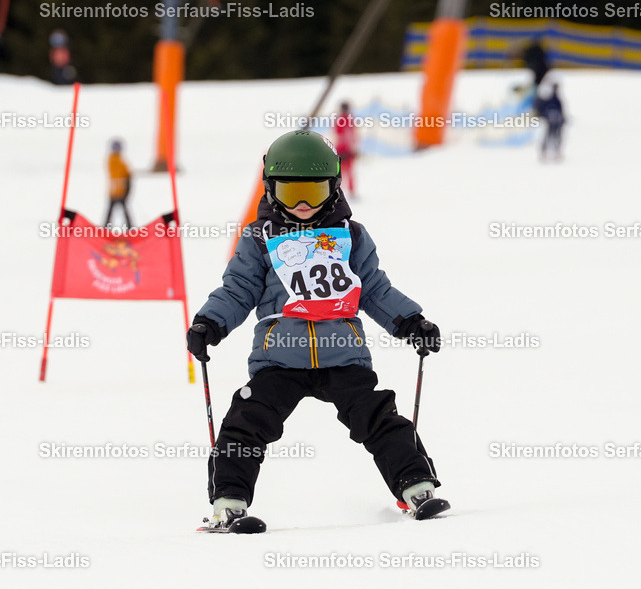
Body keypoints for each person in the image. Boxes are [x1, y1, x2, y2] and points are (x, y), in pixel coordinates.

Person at [186, 130, 449, 530]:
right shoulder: (259, 240)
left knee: (378, 416)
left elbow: (374, 290)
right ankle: (230, 500)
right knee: (247, 419)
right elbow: (237, 290)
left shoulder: (351, 237)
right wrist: (210, 323)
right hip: (279, 358)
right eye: (293, 195)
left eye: (315, 191)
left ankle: (416, 486)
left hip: (343, 356)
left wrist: (411, 322)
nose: (305, 204)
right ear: (272, 191)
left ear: (335, 187)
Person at [104, 138, 133, 228]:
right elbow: (123, 173)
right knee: (114, 210)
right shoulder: (115, 160)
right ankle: (107, 226)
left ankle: (107, 226)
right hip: (118, 190)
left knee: (117, 210)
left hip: (119, 190)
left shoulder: (116, 160)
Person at [534, 82, 566, 161]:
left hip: (555, 120)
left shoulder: (554, 97)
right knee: (550, 135)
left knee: (554, 135)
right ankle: (546, 152)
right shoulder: (549, 97)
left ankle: (554, 151)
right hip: (551, 120)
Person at [334, 101, 358, 198]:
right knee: (348, 172)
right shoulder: (349, 119)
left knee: (339, 172)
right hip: (346, 149)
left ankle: (337, 192)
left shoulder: (341, 119)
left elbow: (340, 135)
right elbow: (350, 136)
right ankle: (348, 191)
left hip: (342, 149)